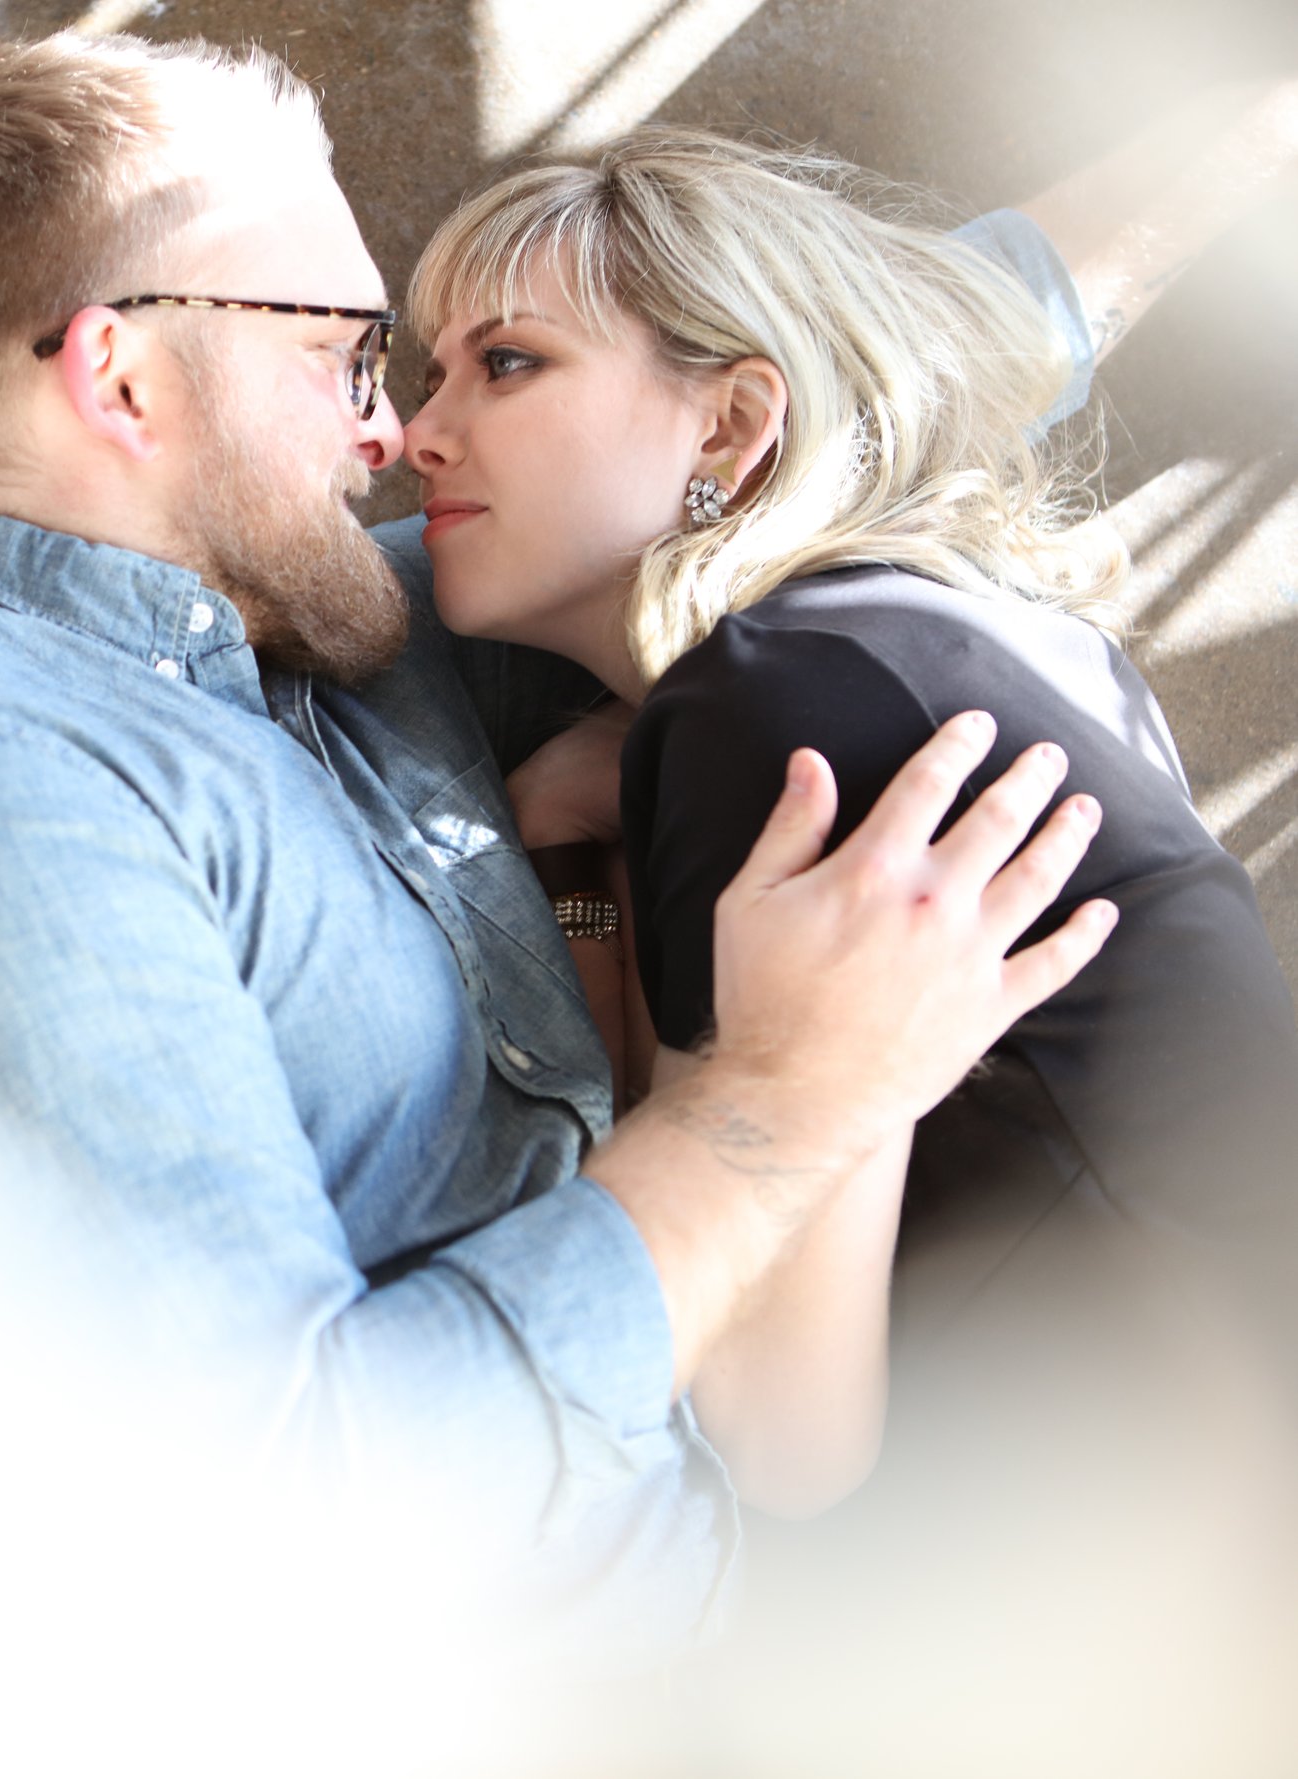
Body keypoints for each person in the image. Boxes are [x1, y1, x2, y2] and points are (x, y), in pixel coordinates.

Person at [0, 31, 1110, 1623]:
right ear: (123, 379)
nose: (390, 432)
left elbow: (794, 393)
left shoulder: (338, 631)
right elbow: (289, 1521)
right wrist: (785, 1104)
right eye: (346, 357)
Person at [400, 119, 1298, 1514]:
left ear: (730, 425)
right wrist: (563, 841)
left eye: (507, 363)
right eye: (432, 375)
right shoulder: (928, 647)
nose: (417, 435)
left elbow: (771, 1433)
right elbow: (681, 1124)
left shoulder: (783, 703)